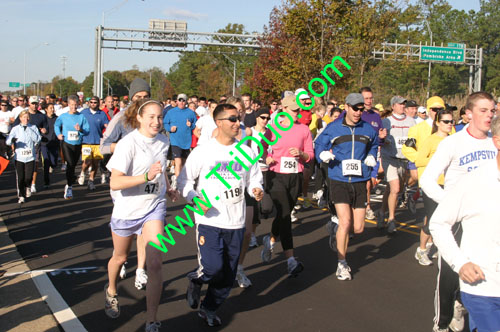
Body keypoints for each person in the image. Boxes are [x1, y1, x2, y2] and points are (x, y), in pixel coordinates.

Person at [178, 103, 263, 327]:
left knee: (227, 273)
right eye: (232, 119)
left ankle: (209, 308)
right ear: (219, 122)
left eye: (239, 119)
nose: (238, 123)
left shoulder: (247, 151)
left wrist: (255, 188)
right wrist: (194, 198)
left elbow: (254, 177)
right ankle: (197, 280)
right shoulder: (204, 151)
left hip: (235, 220)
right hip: (209, 220)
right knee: (213, 267)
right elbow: (184, 181)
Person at [420, 91, 497, 332]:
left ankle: (467, 303)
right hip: (455, 217)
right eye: (483, 110)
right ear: (468, 113)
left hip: (483, 217)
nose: (489, 115)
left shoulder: (494, 141)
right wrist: (449, 202)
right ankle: (441, 323)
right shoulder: (453, 143)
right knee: (450, 275)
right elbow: (427, 180)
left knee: (483, 270)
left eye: (492, 110)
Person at [104, 98, 178, 332]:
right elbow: (115, 182)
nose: (157, 122)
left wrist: (168, 185)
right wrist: (145, 177)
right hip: (127, 209)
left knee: (155, 262)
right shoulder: (128, 144)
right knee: (120, 258)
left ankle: (152, 319)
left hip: (154, 206)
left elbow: (160, 168)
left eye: (160, 118)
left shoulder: (164, 141)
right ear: (139, 118)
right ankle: (112, 290)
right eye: (152, 117)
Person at [315, 93, 378, 280]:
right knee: (345, 222)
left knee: (358, 228)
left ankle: (335, 230)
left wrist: (372, 155)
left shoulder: (368, 129)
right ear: (346, 107)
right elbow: (319, 145)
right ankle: (341, 263)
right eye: (355, 108)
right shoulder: (333, 128)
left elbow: (373, 145)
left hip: (360, 180)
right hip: (338, 179)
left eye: (361, 109)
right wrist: (323, 155)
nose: (358, 112)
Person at [100, 78, 151, 290]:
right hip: (123, 182)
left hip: (146, 182)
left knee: (144, 229)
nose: (141, 101)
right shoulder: (121, 118)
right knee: (127, 228)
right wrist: (122, 146)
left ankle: (141, 269)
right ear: (131, 98)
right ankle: (120, 258)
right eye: (138, 97)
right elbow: (103, 147)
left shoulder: (153, 117)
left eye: (145, 97)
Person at [260, 95, 313, 277]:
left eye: (299, 110)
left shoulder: (304, 130)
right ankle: (291, 260)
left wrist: (301, 154)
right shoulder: (273, 129)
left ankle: (272, 238)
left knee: (284, 215)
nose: (298, 113)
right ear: (285, 110)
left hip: (295, 176)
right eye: (294, 110)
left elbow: (310, 155)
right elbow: (262, 147)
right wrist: (266, 157)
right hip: (276, 176)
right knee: (284, 215)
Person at [413, 109, 453, 266]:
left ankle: (436, 246)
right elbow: (419, 160)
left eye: (451, 121)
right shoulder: (431, 140)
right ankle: (421, 250)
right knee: (432, 220)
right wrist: (438, 161)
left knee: (446, 220)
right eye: (446, 121)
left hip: (449, 185)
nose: (450, 124)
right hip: (433, 184)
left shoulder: (453, 140)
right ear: (438, 123)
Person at [378, 96, 415, 233]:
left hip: (403, 159)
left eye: (404, 104)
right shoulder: (386, 121)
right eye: (399, 104)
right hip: (390, 158)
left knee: (392, 189)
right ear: (393, 106)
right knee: (395, 188)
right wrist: (386, 141)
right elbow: (381, 138)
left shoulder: (411, 121)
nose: (402, 106)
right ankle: (392, 220)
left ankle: (382, 212)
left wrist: (409, 145)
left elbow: (414, 139)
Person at [54, 95, 90, 200]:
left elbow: (87, 130)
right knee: (69, 163)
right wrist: (58, 134)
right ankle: (69, 186)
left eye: (75, 105)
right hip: (66, 143)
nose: (74, 107)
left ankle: (71, 179)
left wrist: (81, 130)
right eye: (72, 105)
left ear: (78, 105)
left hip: (77, 143)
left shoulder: (81, 117)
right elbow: (57, 125)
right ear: (68, 105)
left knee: (73, 165)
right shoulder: (63, 116)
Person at [6, 110, 41, 203]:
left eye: (27, 117)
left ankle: (28, 186)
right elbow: (8, 141)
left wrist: (29, 130)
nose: (26, 119)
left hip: (30, 156)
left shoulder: (33, 127)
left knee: (28, 177)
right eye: (24, 117)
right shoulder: (15, 129)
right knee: (20, 177)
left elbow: (37, 139)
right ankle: (21, 195)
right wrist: (12, 140)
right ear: (20, 118)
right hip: (19, 157)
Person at [163, 93, 197, 189]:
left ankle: (178, 178)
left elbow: (195, 124)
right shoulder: (171, 112)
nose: (181, 102)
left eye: (183, 100)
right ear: (176, 101)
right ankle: (177, 183)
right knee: (178, 163)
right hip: (175, 141)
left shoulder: (190, 113)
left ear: (186, 102)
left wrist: (191, 125)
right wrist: (170, 128)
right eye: (180, 100)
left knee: (184, 164)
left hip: (186, 141)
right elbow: (165, 123)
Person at [78, 96, 109, 190]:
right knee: (87, 162)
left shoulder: (102, 114)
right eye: (91, 102)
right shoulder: (84, 113)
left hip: (97, 142)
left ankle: (91, 181)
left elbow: (107, 125)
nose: (93, 104)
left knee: (95, 163)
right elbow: (77, 122)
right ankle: (82, 172)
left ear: (98, 103)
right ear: (89, 103)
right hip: (86, 141)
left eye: (95, 102)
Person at [40, 103, 60, 189]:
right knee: (46, 162)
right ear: (46, 109)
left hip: (54, 143)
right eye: (50, 108)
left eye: (53, 108)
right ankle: (46, 182)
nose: (52, 110)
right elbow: (36, 127)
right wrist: (41, 129)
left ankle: (53, 165)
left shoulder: (57, 118)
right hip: (44, 143)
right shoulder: (42, 118)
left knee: (54, 162)